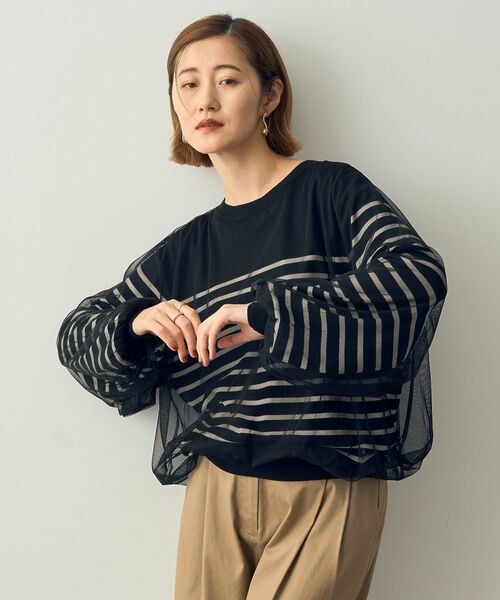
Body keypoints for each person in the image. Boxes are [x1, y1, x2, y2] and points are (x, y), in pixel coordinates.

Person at [56, 13, 448, 600]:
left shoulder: (330, 192)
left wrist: (264, 314)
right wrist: (133, 322)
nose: (204, 100)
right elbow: (75, 335)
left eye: (227, 80)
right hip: (215, 491)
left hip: (328, 483)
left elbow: (415, 277)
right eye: (188, 84)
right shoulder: (186, 250)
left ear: (270, 95)